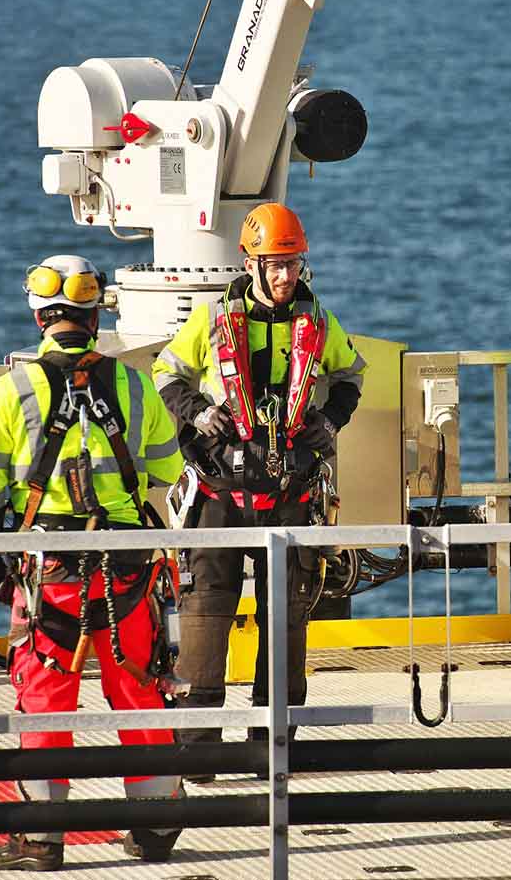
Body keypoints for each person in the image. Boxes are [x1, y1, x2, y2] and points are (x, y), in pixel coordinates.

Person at [0, 254, 186, 870]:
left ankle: (41, 837)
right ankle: (158, 823)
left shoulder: (12, 390)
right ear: (94, 316)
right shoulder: (133, 383)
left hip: (49, 572)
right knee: (138, 685)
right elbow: (167, 467)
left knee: (45, 695)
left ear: (39, 316)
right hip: (127, 568)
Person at [152, 202, 365, 763]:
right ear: (250, 264)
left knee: (289, 613)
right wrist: (198, 411)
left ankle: (274, 746)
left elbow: (350, 376)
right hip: (220, 488)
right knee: (204, 612)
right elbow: (167, 372)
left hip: (289, 491)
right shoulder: (213, 319)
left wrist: (330, 421)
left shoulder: (318, 322)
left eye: (292, 264)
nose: (284, 276)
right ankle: (198, 750)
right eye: (274, 265)